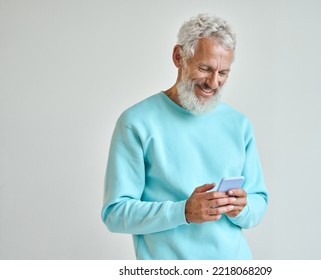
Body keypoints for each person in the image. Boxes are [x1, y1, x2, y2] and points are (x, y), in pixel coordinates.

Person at [101, 14, 268, 260]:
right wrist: (184, 212)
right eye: (205, 68)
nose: (214, 82)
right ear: (179, 57)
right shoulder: (135, 123)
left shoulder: (239, 124)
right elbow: (115, 214)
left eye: (223, 73)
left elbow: (259, 201)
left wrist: (242, 208)